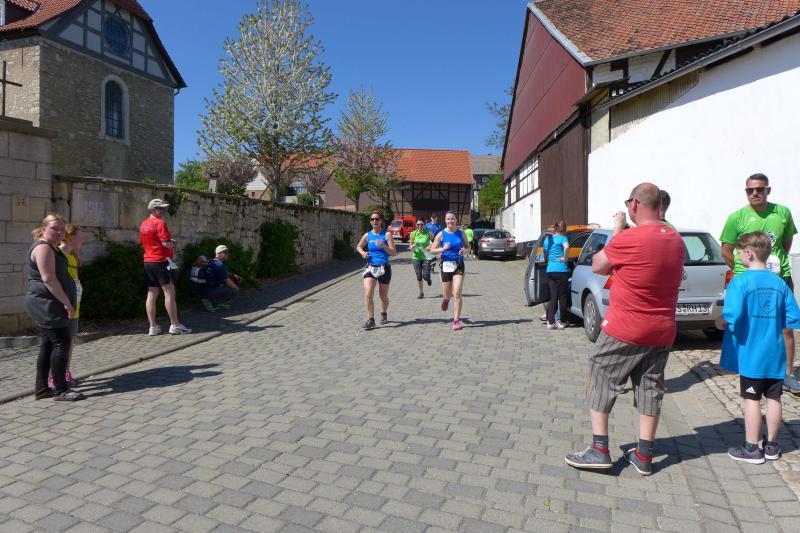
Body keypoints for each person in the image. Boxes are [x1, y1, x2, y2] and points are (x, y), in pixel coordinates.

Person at [565, 183, 684, 476]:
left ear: (634, 205)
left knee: (600, 372)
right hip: (662, 328)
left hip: (626, 327)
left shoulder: (630, 238)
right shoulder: (676, 239)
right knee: (650, 385)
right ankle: (644, 455)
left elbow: (598, 265)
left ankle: (599, 450)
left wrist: (617, 230)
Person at [716, 232, 800, 464]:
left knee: (751, 399)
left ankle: (752, 448)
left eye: (739, 253)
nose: (737, 257)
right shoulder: (779, 283)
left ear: (749, 254)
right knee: (774, 397)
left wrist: (720, 321)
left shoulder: (740, 281)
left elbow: (733, 314)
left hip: (751, 353)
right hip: (775, 353)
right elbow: (793, 316)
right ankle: (771, 446)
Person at [719, 173, 799, 394]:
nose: (755, 193)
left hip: (779, 277)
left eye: (760, 189)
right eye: (750, 190)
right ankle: (751, 370)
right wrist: (743, 271)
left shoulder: (782, 212)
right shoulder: (736, 217)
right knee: (753, 326)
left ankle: (786, 374)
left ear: (768, 190)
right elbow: (726, 251)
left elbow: (785, 243)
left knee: (785, 329)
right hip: (747, 281)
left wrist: (770, 266)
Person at [25, 214, 85, 402]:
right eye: (54, 229)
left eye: (62, 229)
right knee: (62, 342)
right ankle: (60, 390)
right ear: (43, 229)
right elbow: (49, 279)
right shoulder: (43, 248)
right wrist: (67, 303)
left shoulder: (51, 247)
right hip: (48, 304)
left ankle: (42, 389)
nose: (59, 232)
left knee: (48, 344)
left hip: (49, 302)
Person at [140, 199, 191, 335]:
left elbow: (145, 242)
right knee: (169, 292)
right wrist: (172, 243)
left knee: (152, 293)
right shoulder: (160, 223)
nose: (164, 211)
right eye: (160, 208)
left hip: (148, 261)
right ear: (153, 210)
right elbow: (166, 244)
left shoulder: (144, 224)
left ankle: (153, 327)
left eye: (164, 208)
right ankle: (175, 325)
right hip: (161, 261)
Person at [48, 224, 82, 389]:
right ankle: (53, 376)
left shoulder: (72, 256)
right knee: (60, 343)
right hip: (63, 305)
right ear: (70, 237)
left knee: (70, 340)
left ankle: (66, 371)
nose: (82, 239)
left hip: (75, 304)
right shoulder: (59, 254)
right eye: (79, 236)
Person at [357, 210, 396, 329]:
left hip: (384, 268)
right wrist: (363, 253)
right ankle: (371, 319)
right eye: (372, 219)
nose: (374, 221)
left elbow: (393, 253)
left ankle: (383, 312)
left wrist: (383, 245)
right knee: (368, 293)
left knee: (383, 296)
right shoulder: (367, 235)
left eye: (377, 219)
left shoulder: (387, 235)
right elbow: (358, 246)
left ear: (381, 221)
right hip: (371, 267)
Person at [430, 211, 467, 330]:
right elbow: (432, 250)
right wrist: (443, 249)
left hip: (459, 264)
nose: (450, 221)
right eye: (448, 219)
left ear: (456, 220)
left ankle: (456, 320)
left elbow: (468, 246)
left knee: (457, 293)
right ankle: (446, 300)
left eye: (452, 219)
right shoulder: (441, 234)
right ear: (445, 221)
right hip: (446, 265)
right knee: (447, 294)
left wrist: (465, 250)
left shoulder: (461, 233)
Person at [543, 220, 570, 330]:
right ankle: (562, 321)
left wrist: (550, 261)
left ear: (555, 228)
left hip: (550, 270)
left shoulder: (547, 240)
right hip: (561, 270)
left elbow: (545, 256)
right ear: (564, 229)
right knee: (562, 296)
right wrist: (565, 258)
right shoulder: (563, 238)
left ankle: (550, 322)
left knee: (553, 296)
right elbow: (567, 247)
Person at [200, 245, 240, 311]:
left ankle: (214, 301)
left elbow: (225, 273)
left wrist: (233, 275)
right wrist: (237, 288)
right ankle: (212, 302)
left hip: (204, 289)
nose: (228, 254)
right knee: (234, 291)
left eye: (228, 252)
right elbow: (228, 282)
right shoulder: (220, 265)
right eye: (226, 253)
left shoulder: (211, 261)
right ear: (219, 254)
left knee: (231, 282)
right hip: (209, 290)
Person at [409, 220, 433, 299]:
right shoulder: (413, 233)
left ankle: (428, 279)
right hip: (416, 257)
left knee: (425, 276)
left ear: (424, 225)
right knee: (419, 275)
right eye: (418, 224)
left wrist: (429, 247)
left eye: (421, 224)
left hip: (426, 257)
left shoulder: (428, 233)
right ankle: (421, 293)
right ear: (416, 225)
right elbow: (411, 245)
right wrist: (412, 247)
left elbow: (433, 243)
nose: (420, 226)